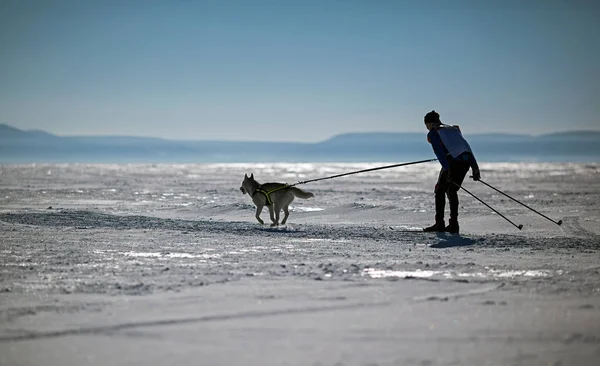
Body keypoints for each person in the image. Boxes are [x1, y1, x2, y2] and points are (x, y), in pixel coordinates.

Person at [423, 110, 480, 233]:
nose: (427, 129)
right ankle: (453, 225)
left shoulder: (434, 133)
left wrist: (447, 170)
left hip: (452, 163)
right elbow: (466, 147)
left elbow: (440, 153)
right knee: (451, 190)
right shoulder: (453, 129)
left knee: (439, 189)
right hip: (465, 162)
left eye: (426, 125)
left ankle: (440, 224)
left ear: (430, 123)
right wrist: (475, 167)